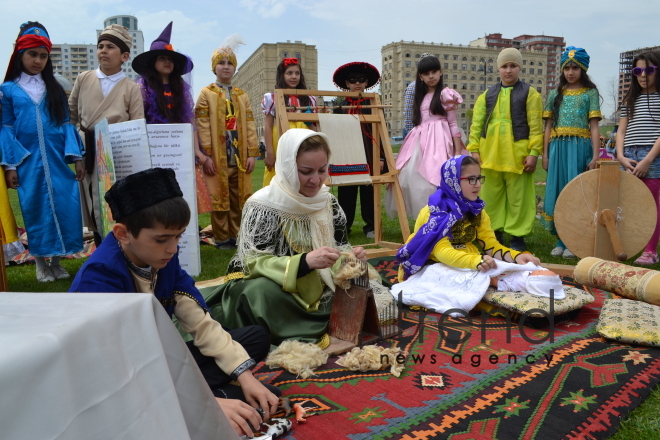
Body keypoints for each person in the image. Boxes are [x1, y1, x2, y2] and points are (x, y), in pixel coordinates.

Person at [69, 167, 279, 437]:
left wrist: (246, 377)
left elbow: (200, 322)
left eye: (178, 236)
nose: (172, 248)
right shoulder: (99, 278)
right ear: (122, 233)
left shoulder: (163, 258)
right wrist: (208, 403)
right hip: (114, 381)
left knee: (255, 338)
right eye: (161, 239)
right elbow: (115, 366)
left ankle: (213, 397)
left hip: (156, 361)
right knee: (253, 399)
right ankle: (203, 401)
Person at [199, 129, 379, 346]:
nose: (316, 180)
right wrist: (303, 263)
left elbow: (339, 245)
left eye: (322, 170)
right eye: (306, 171)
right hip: (274, 285)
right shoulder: (263, 205)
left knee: (363, 281)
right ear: (287, 166)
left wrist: (349, 257)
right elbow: (251, 263)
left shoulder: (327, 201)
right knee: (258, 294)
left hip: (319, 282)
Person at [393, 155, 544, 314]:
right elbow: (442, 252)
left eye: (479, 178)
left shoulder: (477, 210)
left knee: (512, 271)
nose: (477, 185)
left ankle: (496, 295)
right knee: (455, 279)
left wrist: (516, 257)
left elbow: (491, 246)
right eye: (471, 179)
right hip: (433, 263)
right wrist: (476, 261)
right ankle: (497, 307)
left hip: (469, 262)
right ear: (453, 181)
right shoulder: (435, 212)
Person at [0, 21, 84, 282]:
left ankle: (57, 261)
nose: (37, 60)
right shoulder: (8, 90)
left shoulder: (55, 89)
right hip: (28, 161)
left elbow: (64, 124)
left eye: (42, 56)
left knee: (65, 206)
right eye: (32, 54)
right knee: (34, 208)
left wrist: (77, 157)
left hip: (58, 160)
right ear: (20, 55)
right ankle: (39, 262)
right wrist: (11, 166)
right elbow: (6, 128)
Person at [68, 23, 144, 246]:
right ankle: (101, 247)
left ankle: (122, 247)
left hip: (119, 152)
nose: (103, 50)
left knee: (117, 202)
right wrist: (76, 152)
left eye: (110, 46)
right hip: (88, 151)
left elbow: (137, 124)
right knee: (94, 202)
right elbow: (71, 117)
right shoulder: (83, 78)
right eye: (100, 46)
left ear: (125, 56)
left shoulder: (131, 87)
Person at [467, 48, 543, 252]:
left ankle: (517, 235)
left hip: (517, 155)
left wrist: (534, 153)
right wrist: (474, 149)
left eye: (513, 66)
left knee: (520, 197)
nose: (508, 70)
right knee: (490, 196)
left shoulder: (531, 94)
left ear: (519, 67)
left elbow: (536, 126)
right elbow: (477, 124)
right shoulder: (486, 95)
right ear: (498, 68)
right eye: (504, 66)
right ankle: (494, 232)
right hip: (489, 154)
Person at [131, 22, 212, 215]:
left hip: (180, 150)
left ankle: (185, 237)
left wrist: (197, 152)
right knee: (158, 195)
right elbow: (138, 119)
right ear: (153, 62)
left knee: (182, 192)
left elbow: (189, 122)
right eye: (162, 58)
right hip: (155, 150)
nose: (167, 62)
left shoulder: (181, 89)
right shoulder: (142, 86)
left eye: (170, 59)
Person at [195, 35, 258, 250]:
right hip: (217, 158)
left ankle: (238, 235)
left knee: (239, 198)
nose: (226, 66)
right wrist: (207, 156)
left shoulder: (242, 95)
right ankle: (222, 238)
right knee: (219, 200)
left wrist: (251, 153)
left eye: (230, 63)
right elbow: (202, 125)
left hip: (239, 158)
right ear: (214, 67)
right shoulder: (206, 93)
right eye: (221, 62)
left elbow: (250, 124)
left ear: (235, 68)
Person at [541, 46, 602, 259]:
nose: (570, 72)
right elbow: (548, 126)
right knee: (559, 192)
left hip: (579, 148)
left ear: (583, 69)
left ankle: (575, 240)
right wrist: (545, 154)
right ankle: (560, 239)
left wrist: (596, 155)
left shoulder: (589, 94)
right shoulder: (555, 94)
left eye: (575, 68)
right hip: (558, 149)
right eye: (567, 67)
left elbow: (594, 126)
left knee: (577, 193)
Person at [390, 54, 464, 219]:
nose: (431, 76)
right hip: (420, 141)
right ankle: (424, 218)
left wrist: (457, 152)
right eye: (426, 73)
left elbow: (453, 124)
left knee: (436, 179)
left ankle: (442, 217)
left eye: (434, 72)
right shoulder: (419, 95)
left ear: (440, 72)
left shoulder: (445, 94)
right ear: (421, 77)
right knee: (409, 178)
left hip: (440, 142)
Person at [332, 61, 386, 239]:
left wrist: (381, 157)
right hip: (346, 154)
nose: (357, 83)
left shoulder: (374, 105)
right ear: (347, 83)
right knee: (346, 192)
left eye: (361, 80)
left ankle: (371, 226)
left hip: (370, 153)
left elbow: (382, 135)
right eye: (352, 80)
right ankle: (343, 226)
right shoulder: (339, 108)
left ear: (366, 82)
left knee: (369, 192)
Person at [616, 51, 660, 265]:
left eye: (649, 70)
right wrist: (621, 156)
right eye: (638, 70)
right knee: (630, 204)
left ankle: (650, 251)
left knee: (650, 206)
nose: (643, 75)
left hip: (652, 156)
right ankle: (631, 245)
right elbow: (621, 132)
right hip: (630, 156)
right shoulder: (630, 100)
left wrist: (649, 159)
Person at [262, 57, 316, 187]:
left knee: (303, 169)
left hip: (303, 136)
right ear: (282, 75)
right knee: (280, 170)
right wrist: (269, 152)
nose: (294, 77)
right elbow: (268, 126)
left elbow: (314, 126)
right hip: (281, 136)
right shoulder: (273, 98)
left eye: (297, 73)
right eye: (289, 73)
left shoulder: (309, 98)